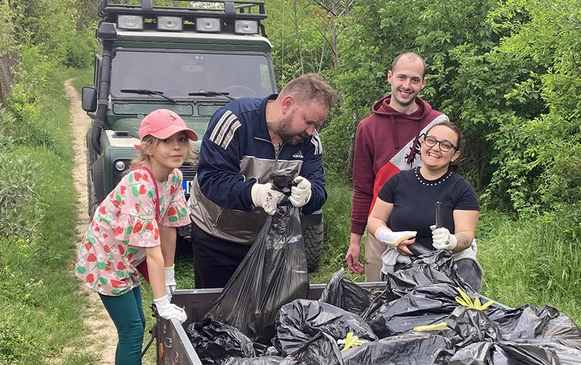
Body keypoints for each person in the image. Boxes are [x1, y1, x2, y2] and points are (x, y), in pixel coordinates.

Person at [75, 109, 196, 365]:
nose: (177, 147)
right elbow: (151, 251)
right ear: (148, 146)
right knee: (132, 331)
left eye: (181, 140)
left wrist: (169, 275)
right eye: (167, 140)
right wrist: (162, 301)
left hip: (127, 258)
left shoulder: (172, 178)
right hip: (107, 259)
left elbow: (169, 228)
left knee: (135, 324)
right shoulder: (139, 184)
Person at [188, 72, 337, 289]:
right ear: (287, 104)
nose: (311, 131)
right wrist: (255, 194)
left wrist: (309, 194)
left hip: (271, 242)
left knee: (266, 316)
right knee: (214, 315)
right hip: (217, 236)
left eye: (316, 125)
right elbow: (212, 179)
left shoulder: (310, 142)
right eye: (308, 121)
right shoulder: (233, 121)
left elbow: (319, 189)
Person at [346, 52, 449, 280]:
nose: (406, 85)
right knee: (377, 301)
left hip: (426, 232)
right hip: (381, 230)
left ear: (423, 83)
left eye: (414, 80)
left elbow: (447, 183)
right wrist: (355, 240)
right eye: (401, 77)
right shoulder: (368, 127)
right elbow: (363, 188)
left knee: (427, 305)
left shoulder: (438, 124)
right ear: (390, 77)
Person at [365, 121, 480, 279]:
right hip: (403, 268)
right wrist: (389, 237)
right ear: (422, 144)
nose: (436, 148)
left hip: (450, 271)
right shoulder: (397, 182)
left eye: (446, 145)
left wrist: (452, 241)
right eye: (431, 140)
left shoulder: (462, 189)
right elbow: (375, 219)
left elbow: (466, 235)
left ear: (455, 155)